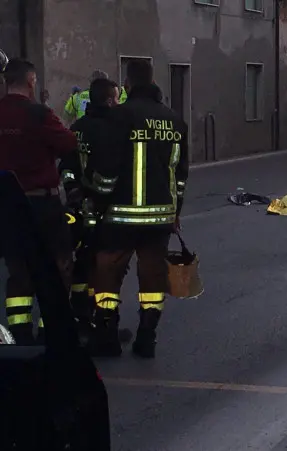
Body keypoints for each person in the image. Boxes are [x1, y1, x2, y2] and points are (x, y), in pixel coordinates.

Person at [83, 59, 189, 358]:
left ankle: (106, 336)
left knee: (107, 276)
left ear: (127, 84)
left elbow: (107, 169)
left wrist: (96, 201)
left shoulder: (118, 117)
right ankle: (147, 338)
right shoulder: (174, 120)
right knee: (153, 280)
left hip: (119, 218)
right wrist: (175, 210)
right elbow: (181, 175)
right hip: (159, 220)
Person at [0, 58, 78, 344]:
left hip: (7, 205)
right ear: (31, 81)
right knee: (58, 267)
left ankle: (20, 333)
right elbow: (69, 143)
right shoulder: (39, 114)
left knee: (18, 269)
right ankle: (51, 330)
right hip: (41, 204)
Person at [58, 78, 121, 339]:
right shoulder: (110, 129)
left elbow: (67, 166)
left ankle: (81, 317)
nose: (118, 103)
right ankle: (99, 322)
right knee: (102, 267)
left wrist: (73, 190)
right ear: (108, 100)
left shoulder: (77, 128)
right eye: (116, 98)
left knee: (82, 264)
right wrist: (100, 195)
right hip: (102, 209)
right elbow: (109, 171)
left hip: (78, 207)